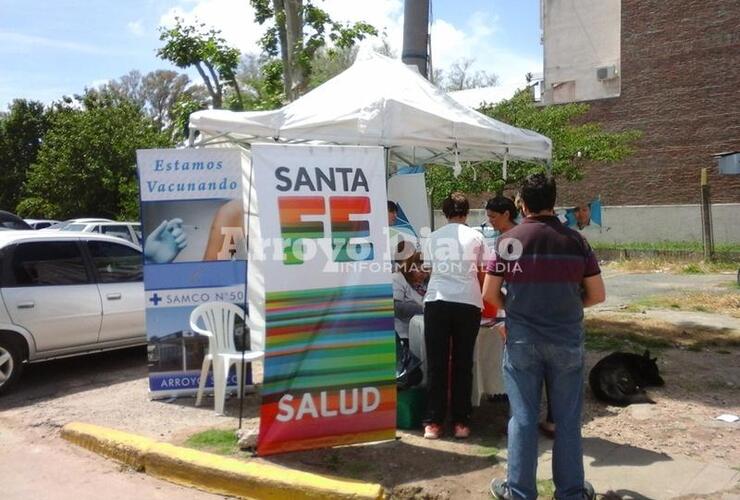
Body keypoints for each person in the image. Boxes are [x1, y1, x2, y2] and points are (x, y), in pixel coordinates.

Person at [483, 173, 605, 500]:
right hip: (566, 340)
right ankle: (571, 492)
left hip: (522, 340)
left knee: (522, 419)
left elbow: (490, 293)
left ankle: (519, 492)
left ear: (522, 203)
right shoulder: (577, 241)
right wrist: (567, 305)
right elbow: (597, 294)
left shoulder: (509, 241)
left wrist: (518, 307)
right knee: (567, 420)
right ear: (553, 201)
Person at [422, 192, 484, 440]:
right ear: (466, 213)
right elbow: (482, 273)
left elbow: (428, 269)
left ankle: (433, 422)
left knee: (437, 364)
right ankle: (461, 421)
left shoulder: (432, 237)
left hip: (437, 301)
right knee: (463, 363)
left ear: (445, 213)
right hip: (468, 302)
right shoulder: (477, 236)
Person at [393, 252, 427, 341]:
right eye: (419, 270)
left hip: (421, 334)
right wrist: (424, 309)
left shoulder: (425, 284)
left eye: (426, 271)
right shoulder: (397, 278)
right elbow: (396, 307)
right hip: (403, 334)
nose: (423, 274)